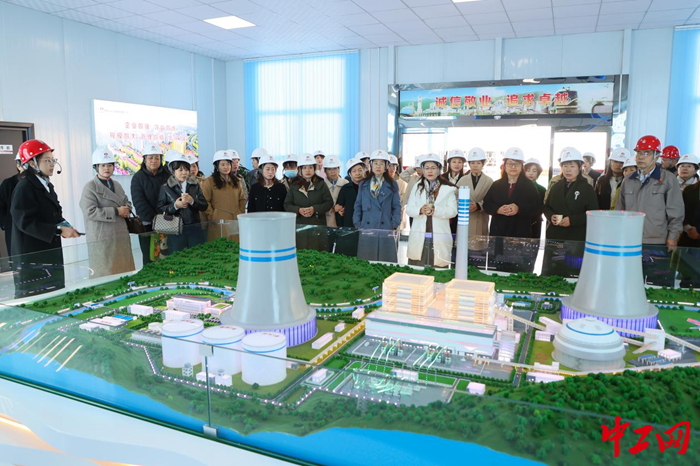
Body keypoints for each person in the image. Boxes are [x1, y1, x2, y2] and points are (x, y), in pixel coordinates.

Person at [11, 140, 80, 297]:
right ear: (32, 163)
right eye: (47, 160)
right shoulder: (25, 187)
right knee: (39, 298)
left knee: (54, 294)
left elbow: (54, 212)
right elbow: (25, 222)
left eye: (53, 160)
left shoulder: (46, 184)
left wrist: (65, 225)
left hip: (47, 251)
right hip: (33, 255)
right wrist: (57, 230)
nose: (52, 164)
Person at [616, 135, 684, 286]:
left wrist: (673, 237)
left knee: (658, 286)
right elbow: (619, 211)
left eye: (646, 153)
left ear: (657, 156)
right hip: (630, 242)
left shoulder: (668, 179)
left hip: (657, 243)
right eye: (639, 153)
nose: (641, 157)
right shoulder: (628, 180)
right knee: (629, 284)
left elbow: (676, 212)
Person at [79, 146, 135, 278]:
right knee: (105, 272)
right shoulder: (90, 187)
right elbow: (89, 211)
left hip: (120, 234)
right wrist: (116, 211)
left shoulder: (117, 184)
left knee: (124, 271)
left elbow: (126, 201)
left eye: (109, 165)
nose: (106, 168)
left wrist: (127, 208)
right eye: (103, 165)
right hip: (102, 237)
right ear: (96, 167)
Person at [483, 147, 542, 272]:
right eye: (510, 163)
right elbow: (487, 204)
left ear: (522, 167)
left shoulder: (529, 186)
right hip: (499, 232)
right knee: (497, 267)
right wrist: (497, 209)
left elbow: (537, 207)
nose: (513, 167)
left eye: (517, 164)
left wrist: (518, 208)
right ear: (504, 166)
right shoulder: (496, 184)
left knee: (518, 269)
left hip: (520, 232)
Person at [542, 148, 599, 276]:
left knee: (572, 272)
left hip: (575, 238)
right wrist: (551, 216)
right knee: (553, 271)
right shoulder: (556, 186)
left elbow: (593, 213)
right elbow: (546, 207)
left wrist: (572, 220)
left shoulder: (587, 188)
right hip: (555, 236)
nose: (568, 170)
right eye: (565, 166)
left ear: (580, 167)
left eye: (572, 166)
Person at [406, 153, 457, 268]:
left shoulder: (448, 189)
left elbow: (453, 211)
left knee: (438, 266)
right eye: (427, 168)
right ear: (423, 170)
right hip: (420, 233)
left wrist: (436, 210)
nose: (430, 171)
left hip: (439, 234)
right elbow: (409, 209)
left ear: (439, 169)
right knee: (417, 266)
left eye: (433, 168)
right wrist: (420, 210)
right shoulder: (416, 187)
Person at [353, 150, 401, 262]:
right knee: (366, 261)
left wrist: (394, 223)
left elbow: (397, 206)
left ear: (386, 166)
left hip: (385, 227)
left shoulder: (392, 184)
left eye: (381, 163)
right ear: (371, 165)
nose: (378, 166)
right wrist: (357, 223)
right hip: (367, 227)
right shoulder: (364, 184)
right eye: (375, 163)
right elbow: (358, 205)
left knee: (385, 261)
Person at [157, 150, 208, 254]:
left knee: (196, 255)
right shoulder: (165, 188)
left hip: (194, 229)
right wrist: (175, 206)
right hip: (175, 230)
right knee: (178, 257)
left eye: (186, 169)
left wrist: (192, 201)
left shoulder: (195, 185)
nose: (184, 173)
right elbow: (160, 208)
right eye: (180, 170)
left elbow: (204, 205)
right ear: (173, 171)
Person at [284, 153, 333, 251]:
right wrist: (298, 210)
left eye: (310, 167)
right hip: (299, 226)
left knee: (318, 252)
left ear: (314, 169)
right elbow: (287, 205)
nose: (307, 170)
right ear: (300, 169)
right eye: (305, 168)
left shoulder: (321, 183)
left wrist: (314, 209)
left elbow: (329, 203)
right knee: (301, 252)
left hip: (317, 225)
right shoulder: (294, 185)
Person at [131, 143, 170, 265]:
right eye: (150, 158)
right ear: (144, 159)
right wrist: (156, 219)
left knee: (167, 257)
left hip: (167, 224)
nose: (154, 160)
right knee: (150, 258)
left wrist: (165, 217)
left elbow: (172, 198)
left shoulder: (168, 176)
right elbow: (139, 202)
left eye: (157, 158)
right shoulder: (138, 178)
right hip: (147, 226)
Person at [201, 150, 247, 241]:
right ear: (217, 166)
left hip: (234, 220)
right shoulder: (209, 181)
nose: (226, 167)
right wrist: (213, 216)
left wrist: (240, 212)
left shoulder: (237, 181)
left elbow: (242, 199)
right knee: (219, 245)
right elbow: (205, 201)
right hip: (218, 222)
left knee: (235, 245)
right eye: (222, 164)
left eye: (228, 164)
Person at [456, 147, 494, 251]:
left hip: (481, 219)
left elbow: (492, 200)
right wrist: (462, 205)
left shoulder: (489, 181)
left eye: (478, 163)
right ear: (469, 164)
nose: (475, 165)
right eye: (472, 163)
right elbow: (454, 197)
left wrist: (479, 205)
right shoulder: (462, 180)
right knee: (463, 248)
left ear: (483, 164)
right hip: (465, 218)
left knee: (479, 249)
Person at [335, 158, 365, 256]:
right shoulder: (345, 188)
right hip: (348, 226)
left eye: (360, 170)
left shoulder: (370, 187)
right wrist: (340, 228)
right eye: (354, 171)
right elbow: (339, 209)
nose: (358, 173)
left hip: (366, 225)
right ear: (350, 174)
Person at [0, 152, 24, 256]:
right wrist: (6, 224)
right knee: (17, 257)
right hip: (13, 229)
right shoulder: (8, 183)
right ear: (18, 165)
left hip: (34, 230)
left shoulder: (41, 183)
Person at [524, 158, 547, 239]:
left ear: (538, 173)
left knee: (534, 244)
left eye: (534, 171)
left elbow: (542, 207)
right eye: (528, 170)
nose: (531, 173)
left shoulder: (542, 189)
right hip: (520, 223)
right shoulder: (518, 187)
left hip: (536, 223)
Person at [323, 155, 348, 228]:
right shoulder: (321, 185)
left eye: (335, 168)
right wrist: (332, 209)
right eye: (329, 169)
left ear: (339, 169)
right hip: (326, 223)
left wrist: (343, 209)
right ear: (325, 171)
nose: (332, 171)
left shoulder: (346, 183)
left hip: (343, 222)